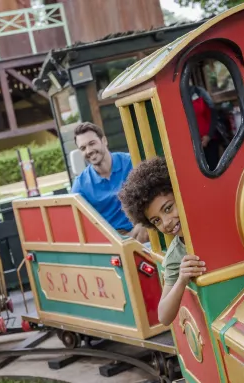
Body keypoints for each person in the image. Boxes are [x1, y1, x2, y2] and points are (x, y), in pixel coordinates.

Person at [118, 157, 206, 326]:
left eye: (168, 208)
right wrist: (181, 279)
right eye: (156, 221)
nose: (166, 222)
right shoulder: (176, 254)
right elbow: (163, 316)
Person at [71, 122, 149, 243]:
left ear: (104, 141)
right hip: (113, 240)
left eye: (92, 143)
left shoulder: (132, 162)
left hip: (143, 228)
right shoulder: (80, 186)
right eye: (83, 148)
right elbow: (80, 226)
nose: (89, 150)